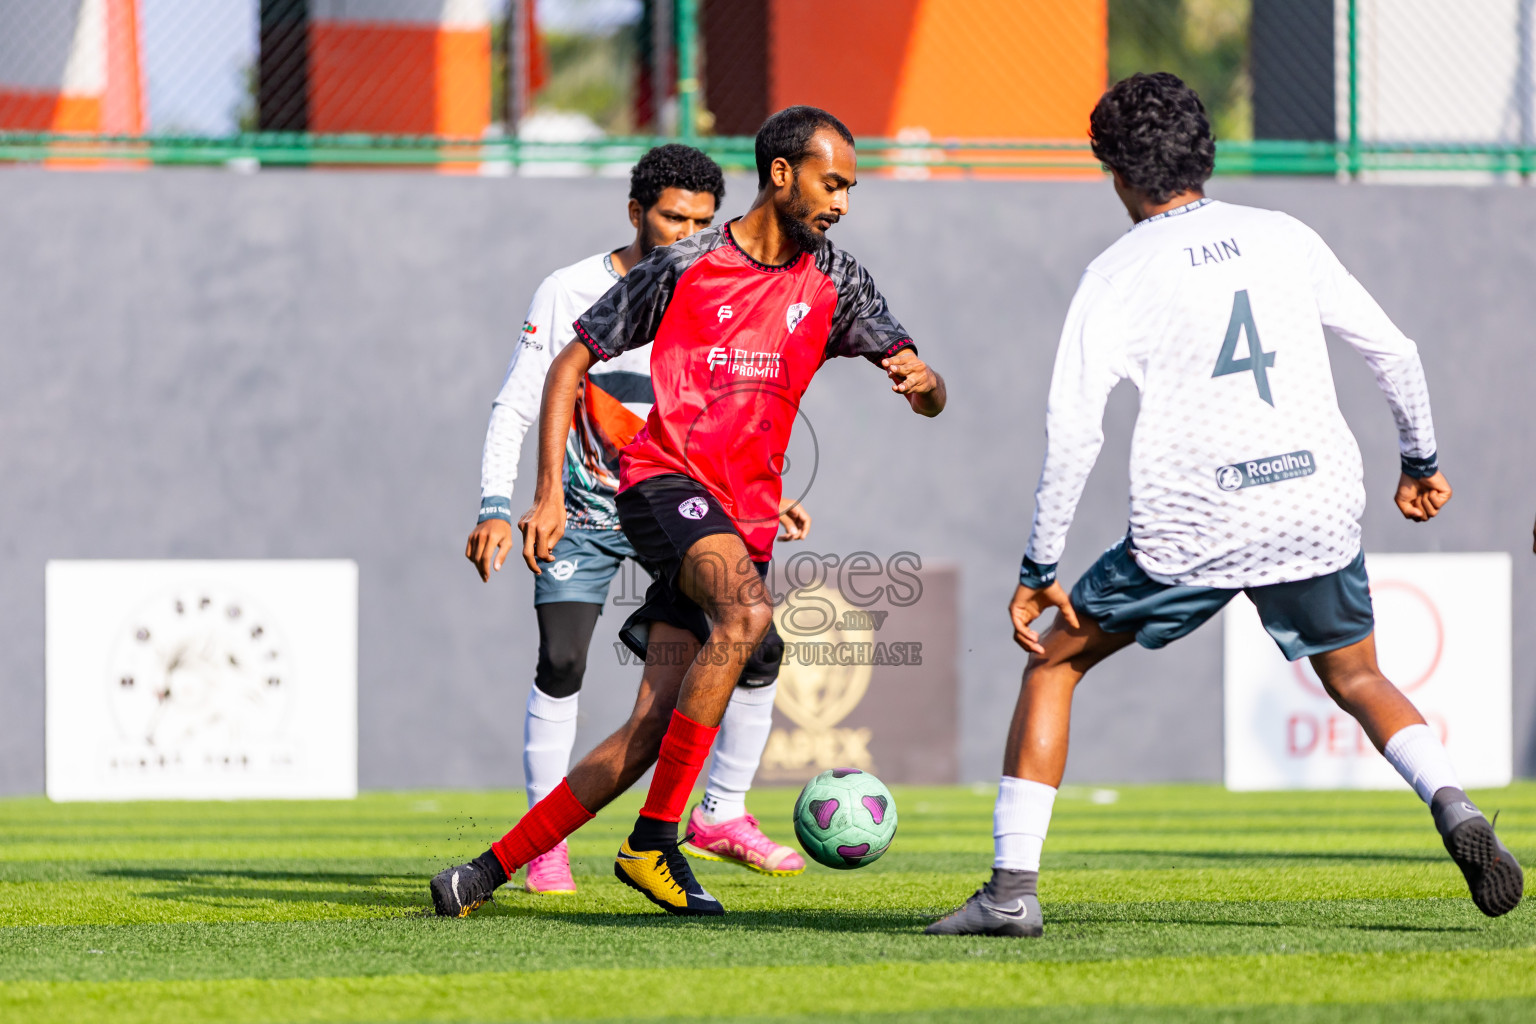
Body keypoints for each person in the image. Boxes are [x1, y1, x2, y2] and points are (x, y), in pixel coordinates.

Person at [928, 73, 1522, 938]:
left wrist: (1039, 568)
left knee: (1053, 663)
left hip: (1195, 523)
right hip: (1313, 505)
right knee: (1357, 676)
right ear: (1202, 152)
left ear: (1117, 173)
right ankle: (1454, 805)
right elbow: (1395, 351)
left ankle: (1012, 893)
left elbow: (1073, 433)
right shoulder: (1282, 234)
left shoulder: (1116, 272)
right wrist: (1420, 460)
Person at [432, 105, 946, 918]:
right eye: (832, 181)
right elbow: (570, 363)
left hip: (743, 517)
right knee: (747, 618)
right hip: (661, 482)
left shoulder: (838, 277)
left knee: (654, 723)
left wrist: (924, 384)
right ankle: (657, 842)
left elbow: (917, 374)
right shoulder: (684, 264)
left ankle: (482, 872)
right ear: (781, 174)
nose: (843, 201)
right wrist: (549, 492)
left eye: (849, 186)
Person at [465, 143, 806, 895]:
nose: (687, 233)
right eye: (672, 217)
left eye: (703, 220)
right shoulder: (571, 288)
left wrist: (752, 492)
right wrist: (509, 500)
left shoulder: (714, 283)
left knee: (758, 643)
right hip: (585, 513)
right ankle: (544, 843)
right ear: (634, 212)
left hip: (675, 503)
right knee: (562, 661)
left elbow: (718, 407)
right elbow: (523, 397)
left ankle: (721, 813)